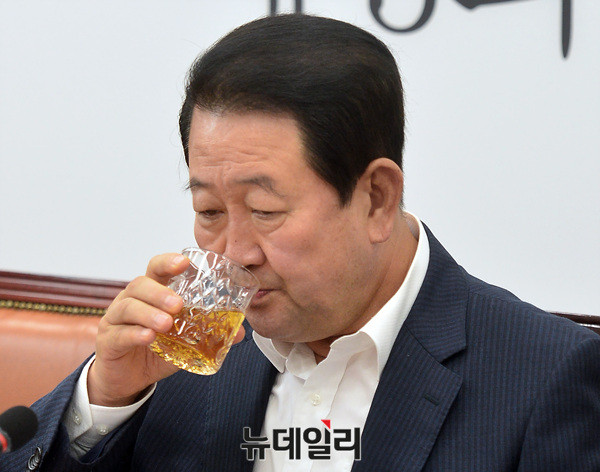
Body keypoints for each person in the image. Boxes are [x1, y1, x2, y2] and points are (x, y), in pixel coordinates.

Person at [2, 13, 599, 472]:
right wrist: (105, 399)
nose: (234, 252)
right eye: (208, 211)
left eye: (265, 211)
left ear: (377, 198)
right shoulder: (180, 355)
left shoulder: (544, 380)